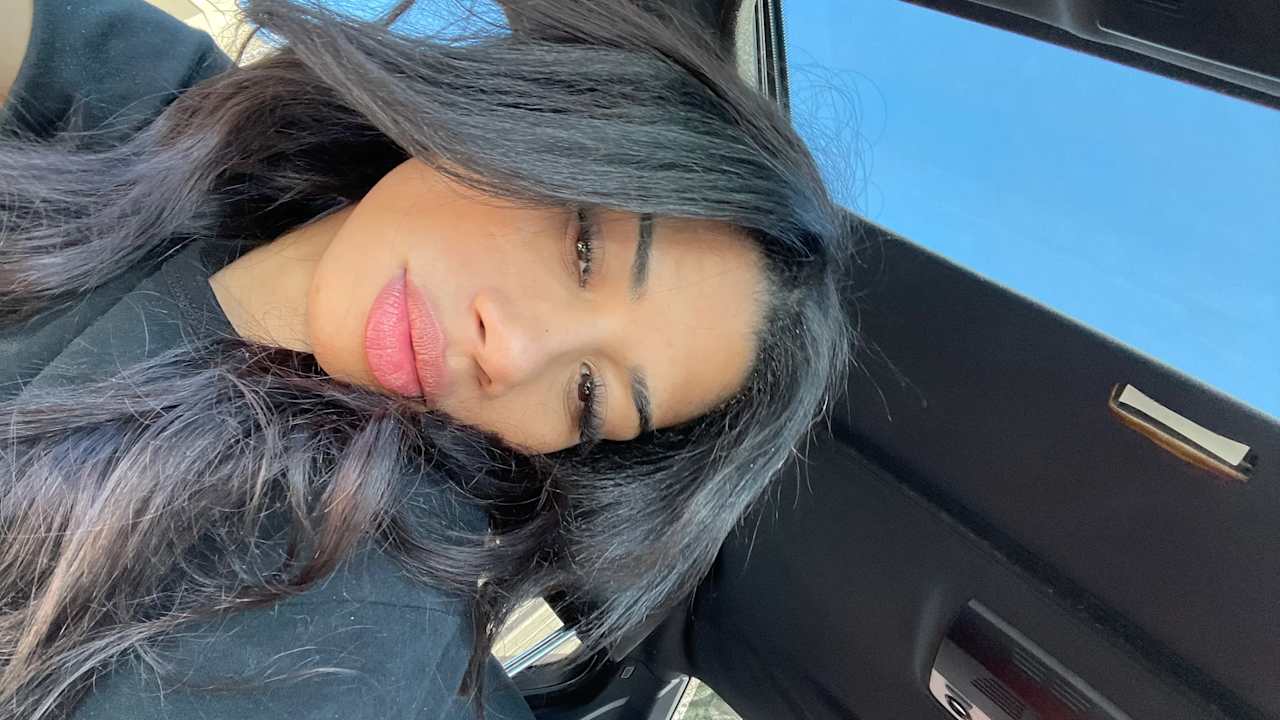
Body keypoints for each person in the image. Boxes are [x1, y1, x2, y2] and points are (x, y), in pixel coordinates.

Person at [0, 0, 854, 718]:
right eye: (586, 250)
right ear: (533, 117)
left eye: (591, 395)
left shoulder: (337, 608)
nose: (514, 354)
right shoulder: (172, 105)